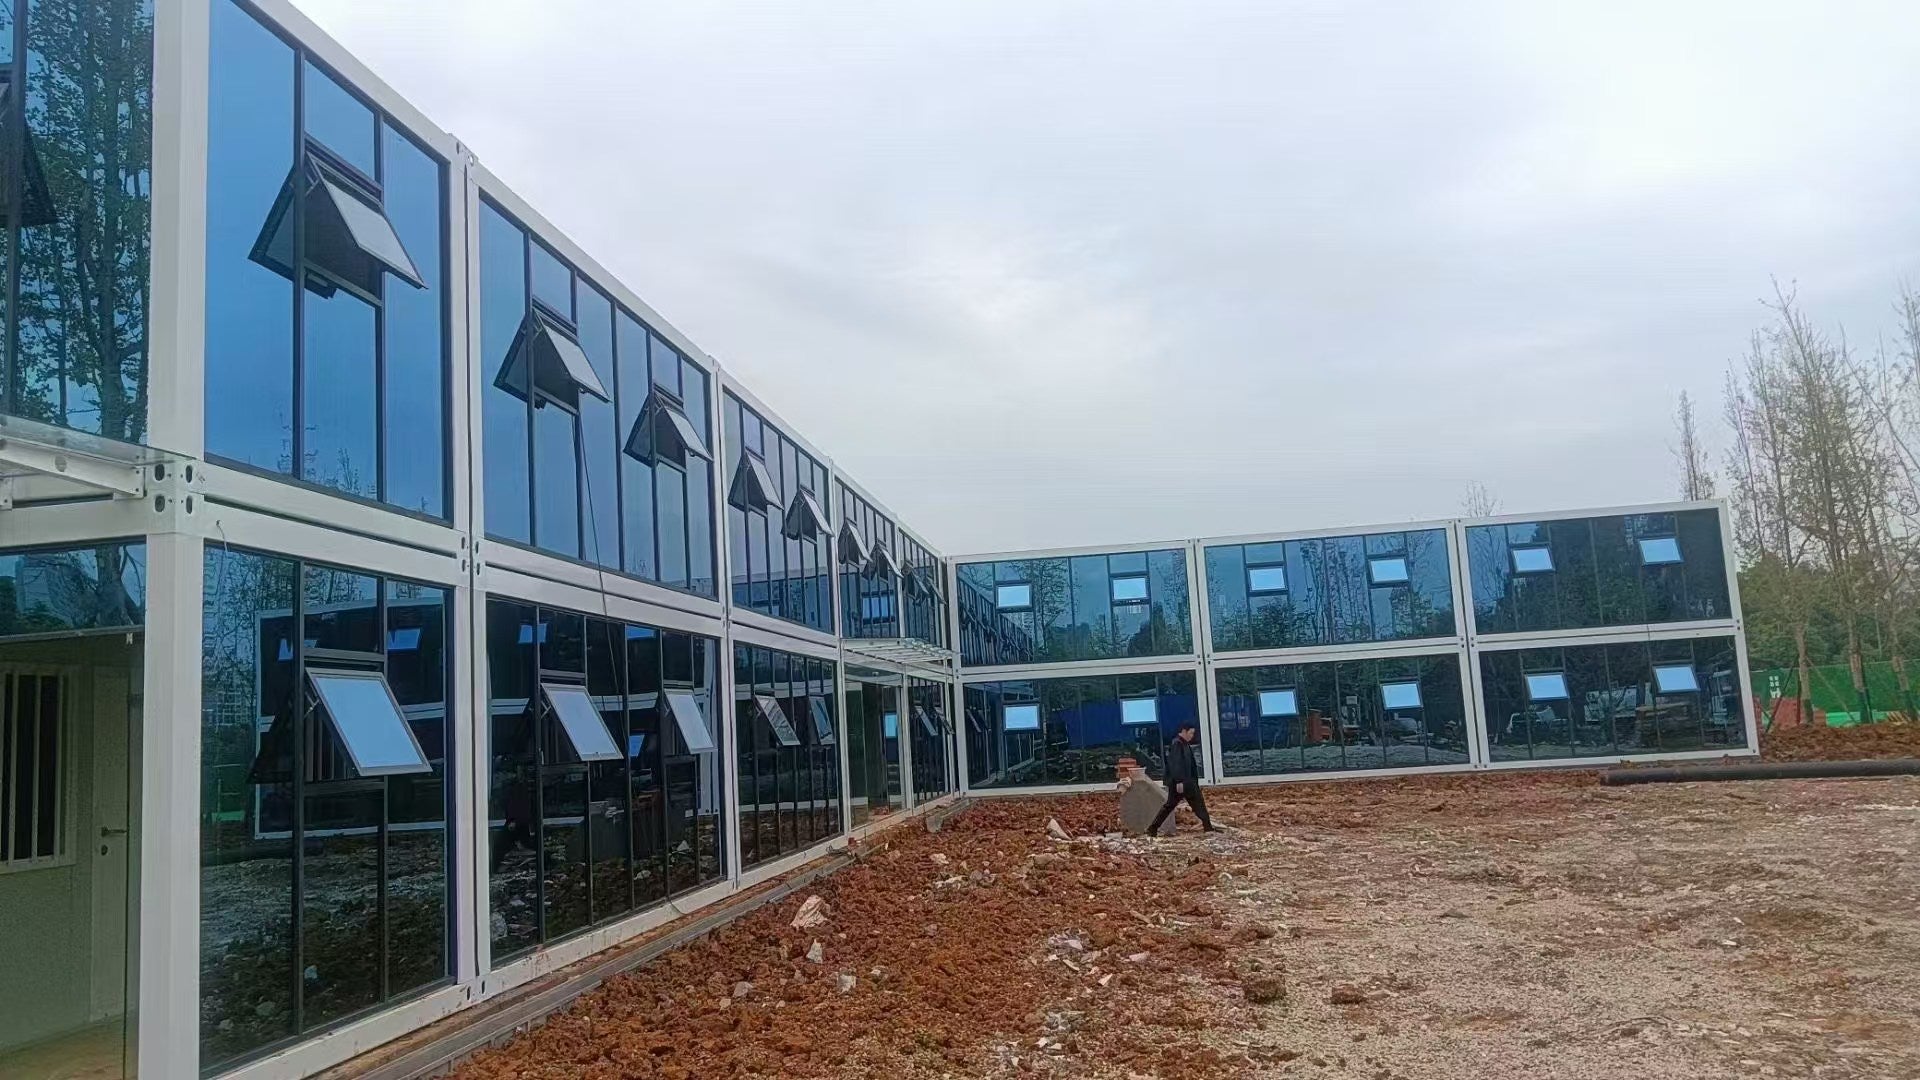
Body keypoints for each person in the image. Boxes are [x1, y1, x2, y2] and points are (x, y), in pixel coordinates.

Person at [1150, 720, 1216, 834]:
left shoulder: (1183, 744)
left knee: (1195, 804)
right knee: (1174, 805)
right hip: (1182, 782)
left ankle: (1208, 826)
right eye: (1190, 733)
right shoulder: (1177, 744)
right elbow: (1176, 764)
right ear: (1184, 731)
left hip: (1187, 782)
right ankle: (1153, 827)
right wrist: (1179, 781)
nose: (1192, 736)